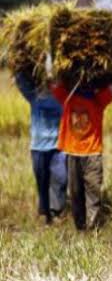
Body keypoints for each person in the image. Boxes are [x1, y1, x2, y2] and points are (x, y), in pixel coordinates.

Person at [51, 69, 112, 231]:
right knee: (76, 193)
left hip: (92, 153)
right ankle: (80, 228)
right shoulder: (67, 98)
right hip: (73, 153)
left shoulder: (98, 100)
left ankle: (93, 228)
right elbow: (53, 81)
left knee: (93, 191)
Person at [15, 73, 67, 225]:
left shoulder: (61, 97)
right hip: (38, 147)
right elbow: (21, 81)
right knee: (42, 180)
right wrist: (18, 68)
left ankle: (56, 211)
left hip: (58, 147)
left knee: (61, 178)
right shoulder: (34, 96)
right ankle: (45, 212)